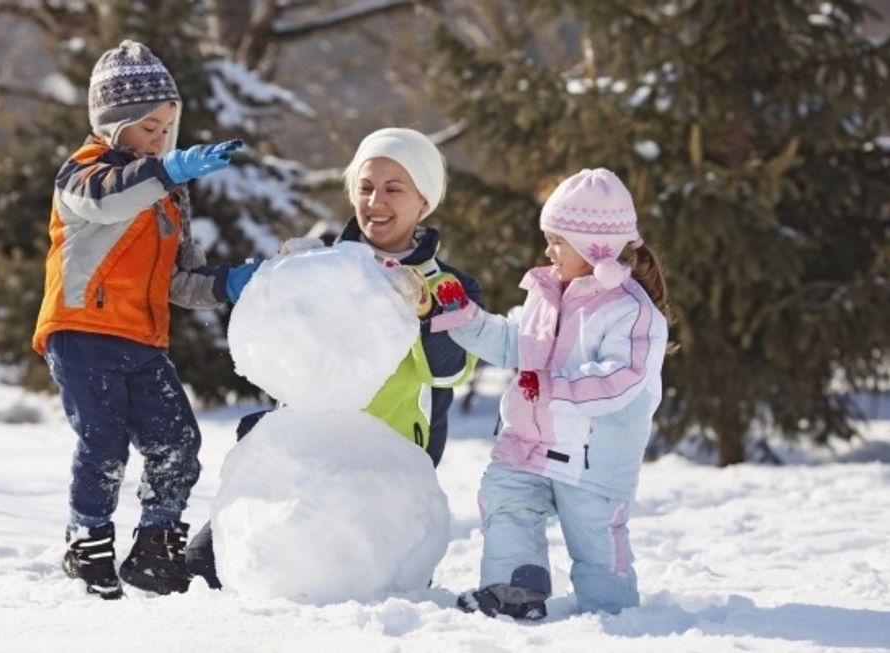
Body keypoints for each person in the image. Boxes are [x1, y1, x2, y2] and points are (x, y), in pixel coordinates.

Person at [185, 127, 483, 589]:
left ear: (423, 202)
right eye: (365, 188)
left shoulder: (450, 287)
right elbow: (274, 351)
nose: (375, 201)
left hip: (384, 467)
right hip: (303, 458)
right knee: (206, 569)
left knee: (363, 587)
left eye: (393, 189)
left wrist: (425, 311)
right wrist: (282, 285)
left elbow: (451, 371)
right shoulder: (323, 265)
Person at [31, 40, 260, 600]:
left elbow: (181, 280)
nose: (159, 140)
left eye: (167, 129)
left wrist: (232, 283)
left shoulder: (167, 195)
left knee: (178, 442)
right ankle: (88, 541)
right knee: (104, 443)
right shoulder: (83, 175)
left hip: (144, 338)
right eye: (146, 128)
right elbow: (109, 201)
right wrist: (169, 168)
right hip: (83, 332)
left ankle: (157, 546)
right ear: (112, 126)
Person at [433, 168, 672, 619]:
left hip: (593, 462)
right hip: (529, 444)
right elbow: (512, 342)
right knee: (506, 502)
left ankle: (616, 613)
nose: (548, 250)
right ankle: (514, 589)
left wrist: (551, 388)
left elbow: (621, 378)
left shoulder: (630, 312)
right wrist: (464, 317)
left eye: (558, 241)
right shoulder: (546, 293)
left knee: (596, 544)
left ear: (594, 247)